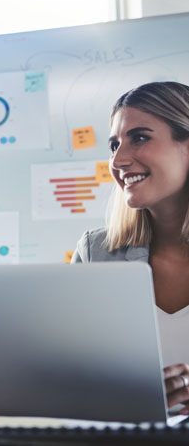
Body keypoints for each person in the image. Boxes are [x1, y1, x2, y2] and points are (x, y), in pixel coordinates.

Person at [71, 81, 189, 415]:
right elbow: (70, 371)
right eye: (113, 144)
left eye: (139, 137)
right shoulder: (96, 252)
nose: (119, 160)